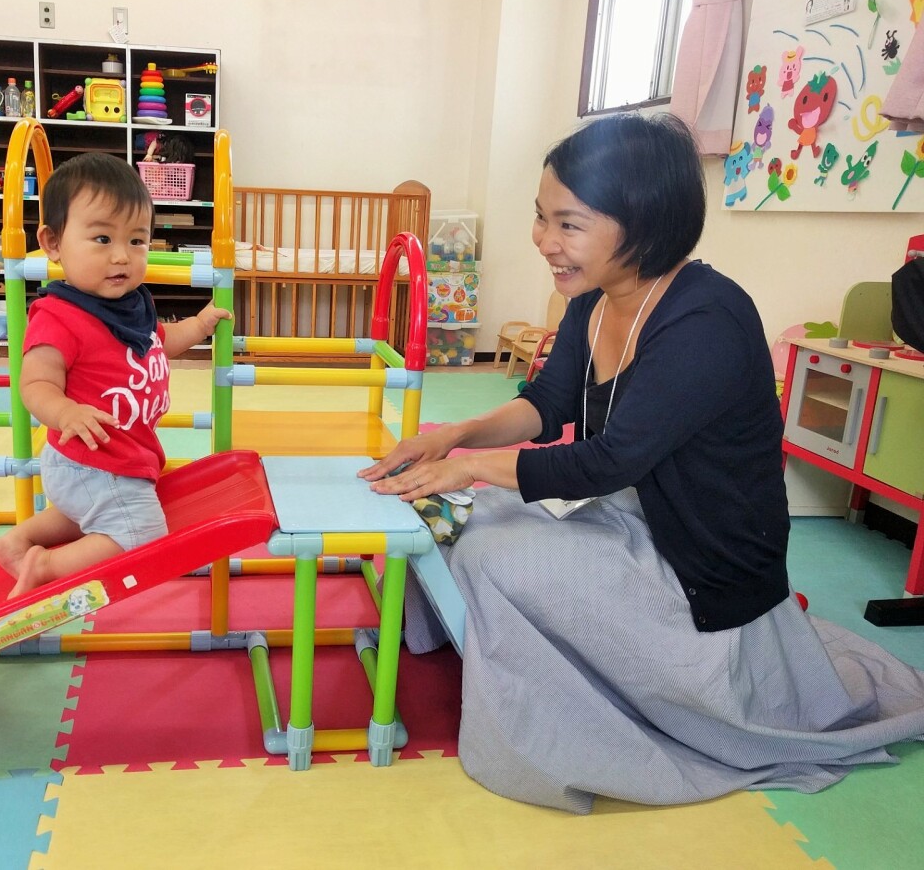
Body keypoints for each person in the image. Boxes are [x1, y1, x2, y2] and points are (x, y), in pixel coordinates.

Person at [359, 112, 924, 814]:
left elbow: (608, 460)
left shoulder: (707, 319)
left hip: (698, 573)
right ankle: (469, 649)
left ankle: (569, 730)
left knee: (490, 552)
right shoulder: (593, 299)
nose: (544, 242)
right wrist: (454, 438)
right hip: (630, 517)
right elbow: (545, 404)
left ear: (645, 222)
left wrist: (472, 468)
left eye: (568, 224)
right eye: (541, 218)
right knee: (457, 515)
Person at [0, 153, 230, 599]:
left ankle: (18, 541)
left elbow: (157, 341)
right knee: (141, 534)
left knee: (86, 514)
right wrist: (65, 411)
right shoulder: (59, 316)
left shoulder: (130, 307)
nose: (122, 256)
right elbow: (35, 383)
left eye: (137, 241)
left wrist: (197, 327)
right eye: (102, 238)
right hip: (92, 457)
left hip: (110, 459)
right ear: (53, 243)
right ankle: (45, 565)